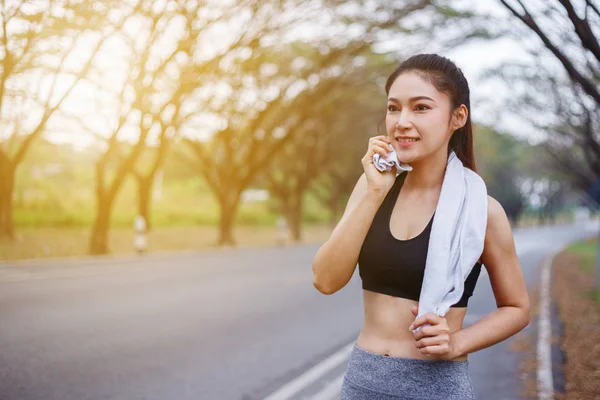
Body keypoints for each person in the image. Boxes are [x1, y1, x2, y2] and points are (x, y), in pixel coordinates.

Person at [311, 53, 530, 399]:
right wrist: (374, 193)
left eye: (421, 108)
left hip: (437, 387)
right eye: (394, 108)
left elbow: (517, 308)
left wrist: (457, 341)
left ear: (457, 117)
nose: (402, 121)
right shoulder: (372, 188)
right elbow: (325, 279)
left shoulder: (481, 211)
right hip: (361, 383)